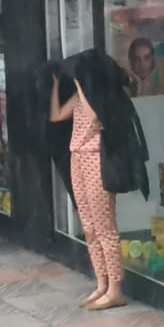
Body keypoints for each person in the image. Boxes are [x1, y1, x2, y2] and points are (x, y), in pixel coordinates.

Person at [50, 72, 127, 310]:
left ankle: (116, 288)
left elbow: (95, 117)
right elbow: (57, 115)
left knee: (105, 227)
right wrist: (55, 88)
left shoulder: (102, 96)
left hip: (96, 159)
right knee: (89, 227)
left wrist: (81, 87)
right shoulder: (78, 97)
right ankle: (101, 283)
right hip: (77, 157)